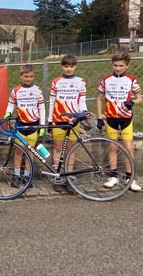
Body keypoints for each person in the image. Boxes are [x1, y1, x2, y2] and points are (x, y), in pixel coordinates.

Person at [96, 52, 143, 192]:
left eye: (121, 65)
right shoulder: (106, 80)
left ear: (127, 66)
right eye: (115, 65)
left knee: (128, 148)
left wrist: (132, 102)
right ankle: (113, 176)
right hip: (111, 118)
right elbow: (99, 98)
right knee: (113, 147)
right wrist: (99, 117)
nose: (118, 68)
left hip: (126, 118)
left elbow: (140, 99)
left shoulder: (131, 80)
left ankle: (130, 178)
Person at [47, 54, 89, 193]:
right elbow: (52, 101)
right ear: (62, 67)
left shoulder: (81, 81)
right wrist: (49, 120)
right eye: (66, 66)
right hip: (58, 119)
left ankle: (69, 176)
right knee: (58, 148)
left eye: (71, 66)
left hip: (74, 120)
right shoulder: (56, 81)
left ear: (75, 66)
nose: (69, 69)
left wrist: (84, 112)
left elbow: (82, 100)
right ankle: (58, 177)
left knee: (71, 149)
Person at [4, 64, 46, 188]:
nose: (28, 79)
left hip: (33, 125)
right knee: (18, 152)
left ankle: (27, 176)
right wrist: (8, 113)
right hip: (21, 125)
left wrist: (42, 126)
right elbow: (11, 104)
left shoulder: (38, 90)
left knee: (30, 152)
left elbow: (42, 107)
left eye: (31, 76)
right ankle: (16, 176)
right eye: (26, 76)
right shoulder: (16, 90)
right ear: (20, 76)